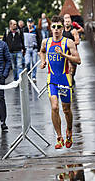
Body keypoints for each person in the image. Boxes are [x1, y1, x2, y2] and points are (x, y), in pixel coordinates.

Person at [40, 15, 81, 149]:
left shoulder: (68, 42)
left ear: (62, 28)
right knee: (54, 107)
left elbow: (78, 60)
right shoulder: (46, 42)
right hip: (52, 79)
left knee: (66, 110)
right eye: (54, 27)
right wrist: (43, 61)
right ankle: (59, 137)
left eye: (59, 27)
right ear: (50, 28)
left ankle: (69, 131)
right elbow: (41, 51)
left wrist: (64, 55)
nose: (56, 29)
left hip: (64, 79)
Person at [63, 15, 80, 87]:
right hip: (64, 53)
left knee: (72, 70)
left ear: (71, 22)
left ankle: (72, 80)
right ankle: (69, 86)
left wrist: (70, 44)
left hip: (73, 53)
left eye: (68, 21)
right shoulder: (62, 31)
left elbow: (78, 41)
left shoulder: (73, 31)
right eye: (66, 21)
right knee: (67, 70)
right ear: (63, 23)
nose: (67, 23)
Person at [23, 18, 41, 83]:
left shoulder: (36, 30)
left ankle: (34, 76)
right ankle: (28, 74)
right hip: (27, 48)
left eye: (31, 22)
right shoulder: (24, 30)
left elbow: (39, 39)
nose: (30, 24)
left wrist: (39, 50)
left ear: (33, 23)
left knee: (34, 63)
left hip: (34, 49)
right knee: (27, 63)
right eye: (28, 22)